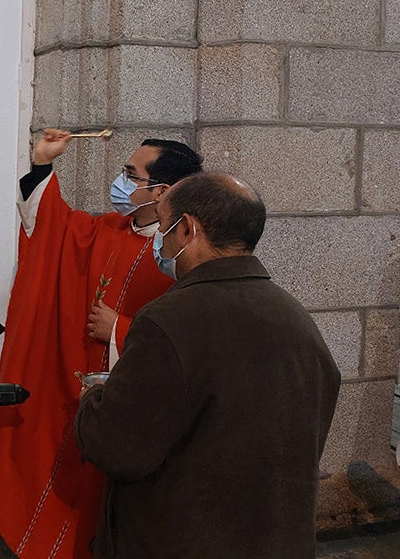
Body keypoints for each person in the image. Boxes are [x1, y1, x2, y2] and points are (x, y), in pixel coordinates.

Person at [75, 172, 341, 558]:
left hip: (181, 540)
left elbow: (116, 448)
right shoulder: (294, 315)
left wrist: (93, 398)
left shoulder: (168, 320)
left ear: (187, 230)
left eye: (163, 228)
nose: (159, 242)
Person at [0, 129, 203, 558]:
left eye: (130, 174)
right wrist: (43, 163)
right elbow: (49, 226)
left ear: (161, 190)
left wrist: (119, 329)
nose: (120, 182)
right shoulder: (107, 229)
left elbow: (192, 332)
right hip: (79, 383)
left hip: (135, 403)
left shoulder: (183, 254)